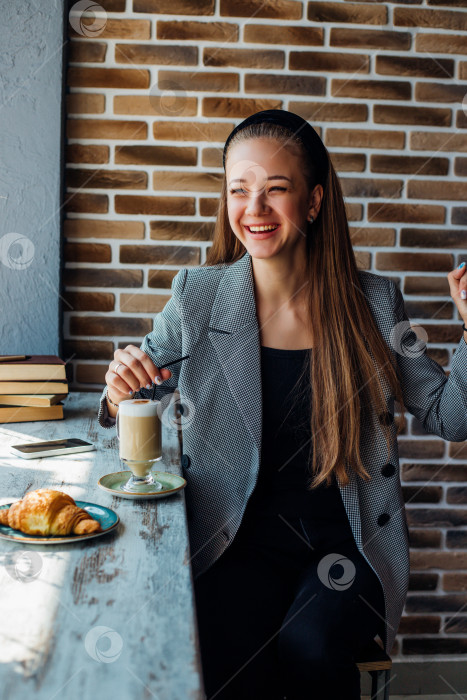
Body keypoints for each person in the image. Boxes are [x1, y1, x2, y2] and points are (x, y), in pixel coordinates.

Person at [97, 109, 467, 700]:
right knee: (222, 654)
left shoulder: (375, 304)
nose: (255, 209)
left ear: (315, 201)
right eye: (239, 190)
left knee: (312, 647)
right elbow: (130, 391)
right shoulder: (196, 299)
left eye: (276, 190)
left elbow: (453, 415)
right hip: (234, 542)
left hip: (344, 548)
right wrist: (119, 391)